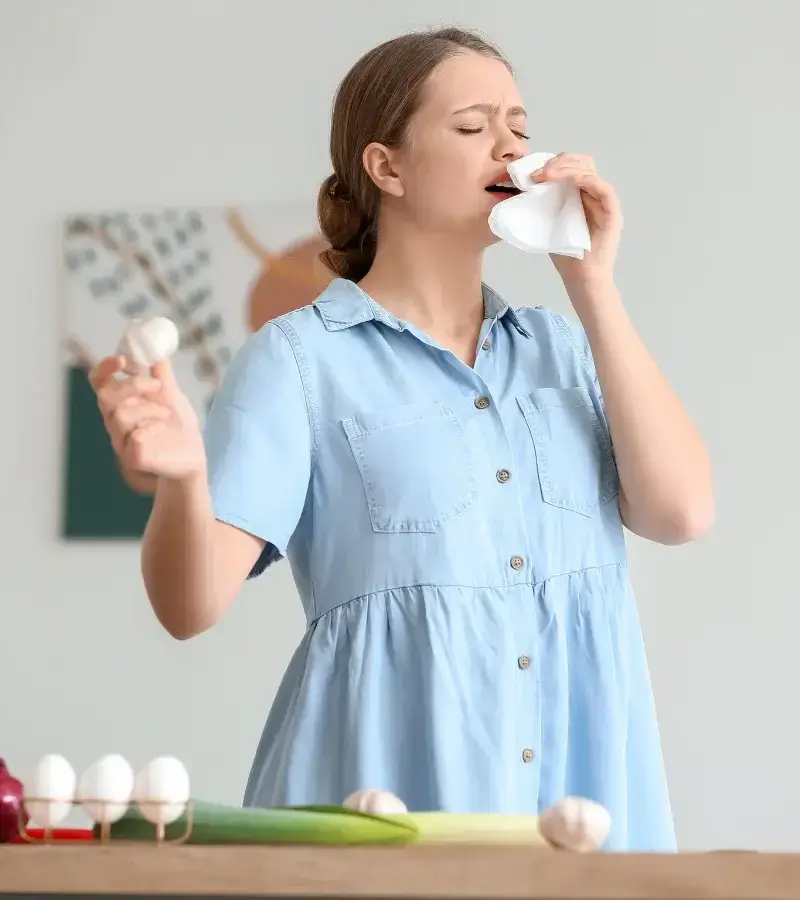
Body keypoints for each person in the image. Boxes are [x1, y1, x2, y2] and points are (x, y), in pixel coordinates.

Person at [89, 27, 714, 851]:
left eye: (520, 127)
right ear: (387, 168)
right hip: (379, 810)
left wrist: (591, 281)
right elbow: (188, 605)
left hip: (586, 807)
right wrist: (182, 478)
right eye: (472, 126)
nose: (512, 146)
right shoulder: (302, 360)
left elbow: (681, 513)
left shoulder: (565, 348)